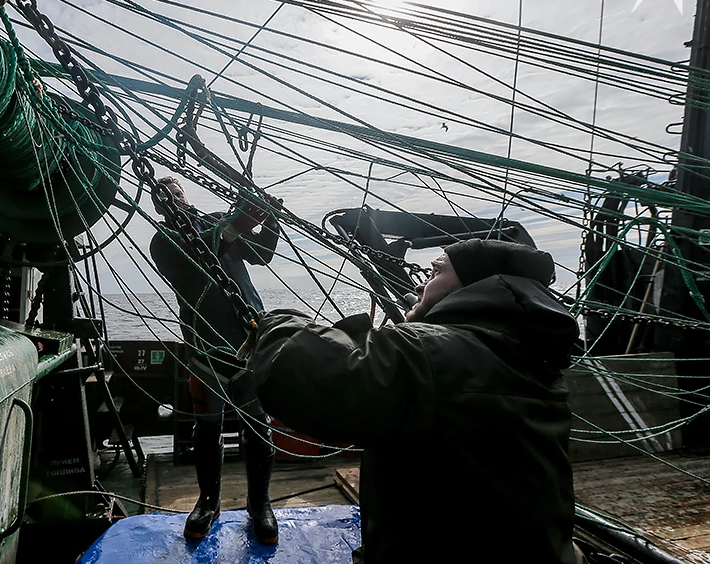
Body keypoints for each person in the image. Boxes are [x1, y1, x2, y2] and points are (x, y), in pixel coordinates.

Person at [240, 238, 580, 562]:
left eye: (436, 272)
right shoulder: (524, 353)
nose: (420, 285)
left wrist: (277, 321)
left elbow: (303, 375)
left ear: (473, 284)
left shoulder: (431, 352)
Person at [149, 176, 282, 544]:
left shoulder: (216, 222)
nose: (172, 199)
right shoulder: (162, 242)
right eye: (164, 197)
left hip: (250, 344)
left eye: (176, 192)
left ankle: (260, 505)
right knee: (206, 428)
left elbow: (262, 254)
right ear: (158, 209)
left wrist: (272, 218)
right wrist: (240, 220)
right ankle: (209, 503)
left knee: (257, 426)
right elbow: (204, 249)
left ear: (185, 197)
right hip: (206, 350)